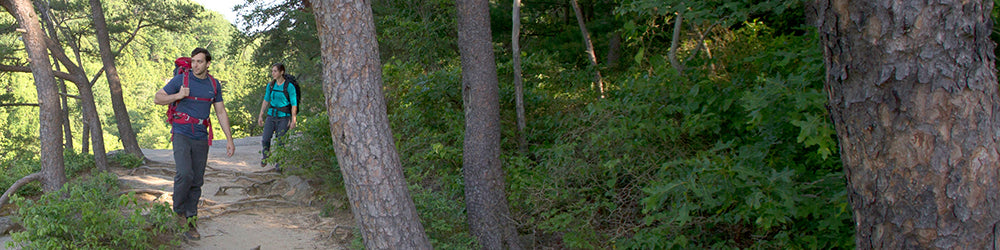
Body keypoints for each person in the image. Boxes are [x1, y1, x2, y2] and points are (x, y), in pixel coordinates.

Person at [154, 48, 235, 241]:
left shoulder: (214, 85)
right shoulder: (181, 80)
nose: (195, 65)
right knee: (184, 174)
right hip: (181, 131)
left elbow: (221, 112)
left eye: (199, 62)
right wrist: (177, 96)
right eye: (193, 61)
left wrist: (229, 139)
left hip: (200, 134)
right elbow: (158, 98)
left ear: (208, 64)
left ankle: (191, 221)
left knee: (197, 180)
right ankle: (179, 212)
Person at [257, 63, 297, 172]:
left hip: (284, 117)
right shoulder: (271, 85)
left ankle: (280, 163)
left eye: (275, 71)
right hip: (271, 116)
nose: (273, 73)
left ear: (281, 72)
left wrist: (293, 120)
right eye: (272, 71)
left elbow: (294, 104)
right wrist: (261, 115)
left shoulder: (289, 86)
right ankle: (266, 155)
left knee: (280, 141)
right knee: (265, 138)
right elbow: (266, 100)